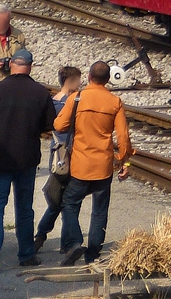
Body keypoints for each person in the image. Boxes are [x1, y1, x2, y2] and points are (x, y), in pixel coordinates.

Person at [0, 48, 56, 274]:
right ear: (30, 66)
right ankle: (27, 255)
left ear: (11, 65)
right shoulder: (40, 92)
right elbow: (50, 124)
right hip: (26, 158)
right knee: (24, 208)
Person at [55, 61, 133, 265]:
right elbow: (123, 137)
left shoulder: (77, 98)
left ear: (89, 76)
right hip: (103, 166)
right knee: (100, 210)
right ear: (108, 80)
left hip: (80, 164)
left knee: (70, 203)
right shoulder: (115, 102)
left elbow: (59, 125)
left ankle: (74, 243)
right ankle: (92, 254)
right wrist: (125, 163)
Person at [34, 66, 82, 253]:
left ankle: (43, 236)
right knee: (66, 200)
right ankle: (62, 241)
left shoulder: (51, 102)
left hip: (57, 154)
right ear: (71, 81)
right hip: (71, 154)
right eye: (78, 81)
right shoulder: (73, 102)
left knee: (59, 198)